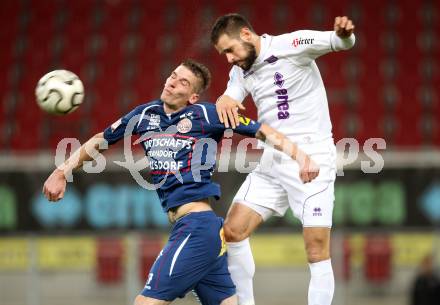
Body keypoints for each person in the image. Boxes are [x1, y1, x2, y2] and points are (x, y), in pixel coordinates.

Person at [42, 59, 319, 305]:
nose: (173, 82)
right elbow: (100, 141)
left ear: (193, 96)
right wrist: (62, 171)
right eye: (173, 75)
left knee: (146, 302)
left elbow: (261, 130)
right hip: (197, 231)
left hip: (196, 228)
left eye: (183, 81)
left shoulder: (208, 115)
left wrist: (301, 156)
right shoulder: (144, 115)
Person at [210, 13, 356, 305]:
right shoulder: (241, 68)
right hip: (273, 159)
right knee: (233, 231)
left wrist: (344, 34)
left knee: (316, 249)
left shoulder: (293, 44)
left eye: (230, 50)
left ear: (247, 35)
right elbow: (231, 95)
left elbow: (341, 42)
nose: (228, 59)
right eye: (223, 53)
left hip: (312, 158)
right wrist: (223, 99)